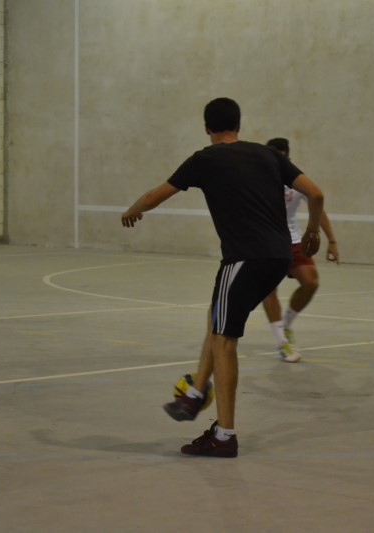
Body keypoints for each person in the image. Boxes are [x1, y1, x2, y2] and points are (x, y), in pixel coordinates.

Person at [120, 98, 324, 457]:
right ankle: (195, 394)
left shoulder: (205, 159)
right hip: (279, 257)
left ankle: (224, 436)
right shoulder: (268, 155)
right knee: (217, 319)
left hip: (244, 257)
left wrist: (133, 210)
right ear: (238, 124)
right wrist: (313, 232)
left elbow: (155, 196)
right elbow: (316, 193)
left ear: (206, 128)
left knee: (225, 341)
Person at [261, 138, 339, 363]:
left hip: (293, 240)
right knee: (268, 289)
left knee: (311, 282)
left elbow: (317, 205)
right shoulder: (257, 179)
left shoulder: (296, 180)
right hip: (266, 242)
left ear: (288, 158)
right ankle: (281, 342)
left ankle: (286, 325)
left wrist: (331, 240)